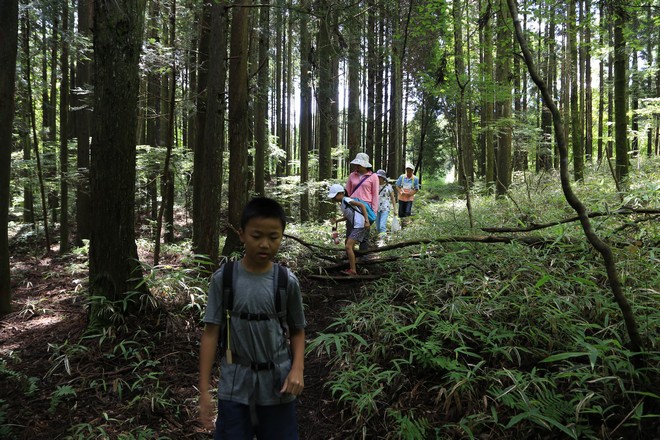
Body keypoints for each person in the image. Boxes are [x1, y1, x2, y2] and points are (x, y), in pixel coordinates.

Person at [199, 197, 306, 439]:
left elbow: (297, 330)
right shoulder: (223, 279)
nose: (265, 244)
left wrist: (297, 368)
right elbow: (210, 334)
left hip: (278, 386)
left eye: (273, 237)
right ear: (242, 234)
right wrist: (204, 391)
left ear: (282, 236)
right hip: (235, 385)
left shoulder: (286, 282)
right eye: (256, 236)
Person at [327, 183, 370, 276]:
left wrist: (367, 221)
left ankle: (353, 270)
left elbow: (362, 205)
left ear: (341, 193)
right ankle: (353, 265)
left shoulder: (346, 199)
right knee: (349, 244)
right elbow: (348, 216)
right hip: (357, 225)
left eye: (334, 196)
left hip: (360, 225)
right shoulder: (342, 204)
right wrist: (337, 220)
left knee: (348, 246)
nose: (333, 198)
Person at [345, 153, 379, 251]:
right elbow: (348, 192)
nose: (357, 166)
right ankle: (349, 257)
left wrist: (374, 211)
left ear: (365, 165)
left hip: (365, 208)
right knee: (350, 231)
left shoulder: (373, 176)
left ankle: (363, 258)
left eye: (359, 164)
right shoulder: (352, 175)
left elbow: (375, 195)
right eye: (356, 164)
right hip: (352, 207)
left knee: (364, 235)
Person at [375, 169, 396, 237]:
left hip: (385, 208)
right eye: (377, 177)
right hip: (376, 208)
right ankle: (380, 238)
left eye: (380, 177)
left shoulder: (389, 186)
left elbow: (393, 198)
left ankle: (382, 241)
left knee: (382, 225)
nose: (378, 178)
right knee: (378, 227)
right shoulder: (374, 186)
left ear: (383, 178)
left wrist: (395, 209)